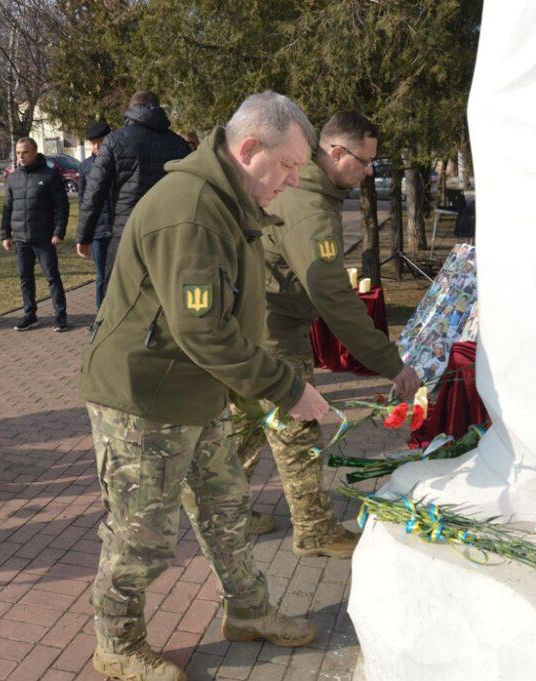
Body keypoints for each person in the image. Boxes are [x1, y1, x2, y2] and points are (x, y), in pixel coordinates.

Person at [79, 91, 328, 681]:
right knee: (144, 533)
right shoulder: (192, 210)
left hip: (198, 390)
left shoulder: (229, 201)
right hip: (145, 397)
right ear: (248, 149)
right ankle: (117, 642)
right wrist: (287, 389)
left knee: (227, 508)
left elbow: (229, 317)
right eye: (289, 166)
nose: (293, 180)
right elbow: (203, 330)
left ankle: (247, 611)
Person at [226, 111, 422, 558]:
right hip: (275, 333)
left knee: (248, 426)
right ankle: (314, 530)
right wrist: (391, 364)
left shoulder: (313, 190)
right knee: (297, 432)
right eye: (364, 160)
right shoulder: (310, 204)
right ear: (336, 152)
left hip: (257, 325)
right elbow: (332, 294)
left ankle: (219, 506)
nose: (370, 170)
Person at [75, 90, 190, 295]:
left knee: (118, 297)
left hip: (126, 230)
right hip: (169, 233)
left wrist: (84, 236)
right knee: (165, 295)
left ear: (130, 110)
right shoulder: (179, 145)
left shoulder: (114, 141)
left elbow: (94, 192)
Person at [0, 137, 70, 332]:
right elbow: (7, 208)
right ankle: (30, 315)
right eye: (18, 153)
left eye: (25, 152)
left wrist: (58, 232)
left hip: (44, 238)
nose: (20, 156)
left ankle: (60, 316)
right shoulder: (13, 177)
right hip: (21, 238)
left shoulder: (50, 175)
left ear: (35, 152)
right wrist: (5, 234)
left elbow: (62, 207)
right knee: (25, 277)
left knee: (52, 277)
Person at [77, 121, 114, 310]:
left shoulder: (118, 161)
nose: (97, 147)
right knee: (101, 276)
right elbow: (83, 203)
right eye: (93, 143)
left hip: (118, 228)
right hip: (98, 230)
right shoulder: (84, 167)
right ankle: (101, 315)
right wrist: (83, 235)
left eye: (100, 142)